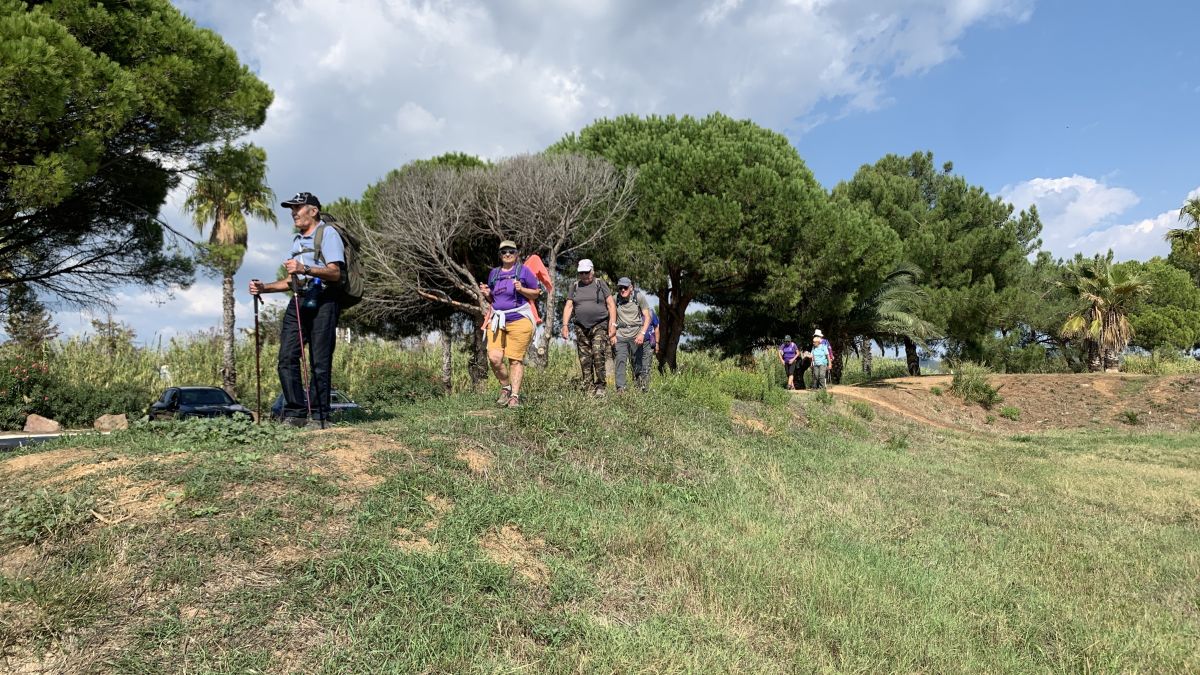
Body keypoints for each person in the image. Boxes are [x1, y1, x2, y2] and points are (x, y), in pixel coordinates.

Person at [249, 191, 344, 428]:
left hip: (324, 299)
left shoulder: (328, 234)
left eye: (298, 208)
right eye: (291, 209)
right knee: (286, 356)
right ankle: (295, 413)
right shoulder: (296, 241)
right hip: (299, 300)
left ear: (313, 211)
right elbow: (290, 281)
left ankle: (320, 416)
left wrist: (306, 269)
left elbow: (335, 273)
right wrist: (264, 287)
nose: (293, 213)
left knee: (320, 361)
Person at [479, 239, 541, 408]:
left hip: (519, 319)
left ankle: (514, 396)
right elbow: (494, 299)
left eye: (511, 251)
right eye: (504, 252)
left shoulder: (524, 271)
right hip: (498, 320)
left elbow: (536, 294)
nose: (507, 254)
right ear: (500, 255)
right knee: (494, 357)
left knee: (515, 359)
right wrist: (486, 294)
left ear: (516, 254)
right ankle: (506, 387)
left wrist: (522, 289)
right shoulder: (494, 273)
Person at [560, 259, 616, 396]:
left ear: (592, 271)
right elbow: (569, 306)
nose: (584, 276)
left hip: (599, 324)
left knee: (597, 352)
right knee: (585, 358)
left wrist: (612, 324)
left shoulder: (600, 283)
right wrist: (565, 325)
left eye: (587, 272)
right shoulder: (575, 286)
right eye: (581, 273)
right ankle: (588, 387)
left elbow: (611, 305)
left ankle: (601, 386)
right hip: (581, 327)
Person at [611, 277, 652, 392]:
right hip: (620, 335)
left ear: (631, 288)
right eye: (620, 288)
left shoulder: (638, 297)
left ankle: (640, 388)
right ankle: (621, 389)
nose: (622, 290)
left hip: (636, 335)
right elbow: (611, 316)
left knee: (637, 363)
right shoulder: (615, 299)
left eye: (625, 287)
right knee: (620, 361)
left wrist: (642, 334)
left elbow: (648, 317)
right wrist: (612, 334)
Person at [636, 310, 661, 391]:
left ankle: (645, 389)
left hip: (648, 343)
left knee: (646, 366)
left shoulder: (650, 313)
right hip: (635, 343)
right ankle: (637, 387)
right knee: (637, 366)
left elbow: (656, 328)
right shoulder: (632, 311)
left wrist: (657, 343)